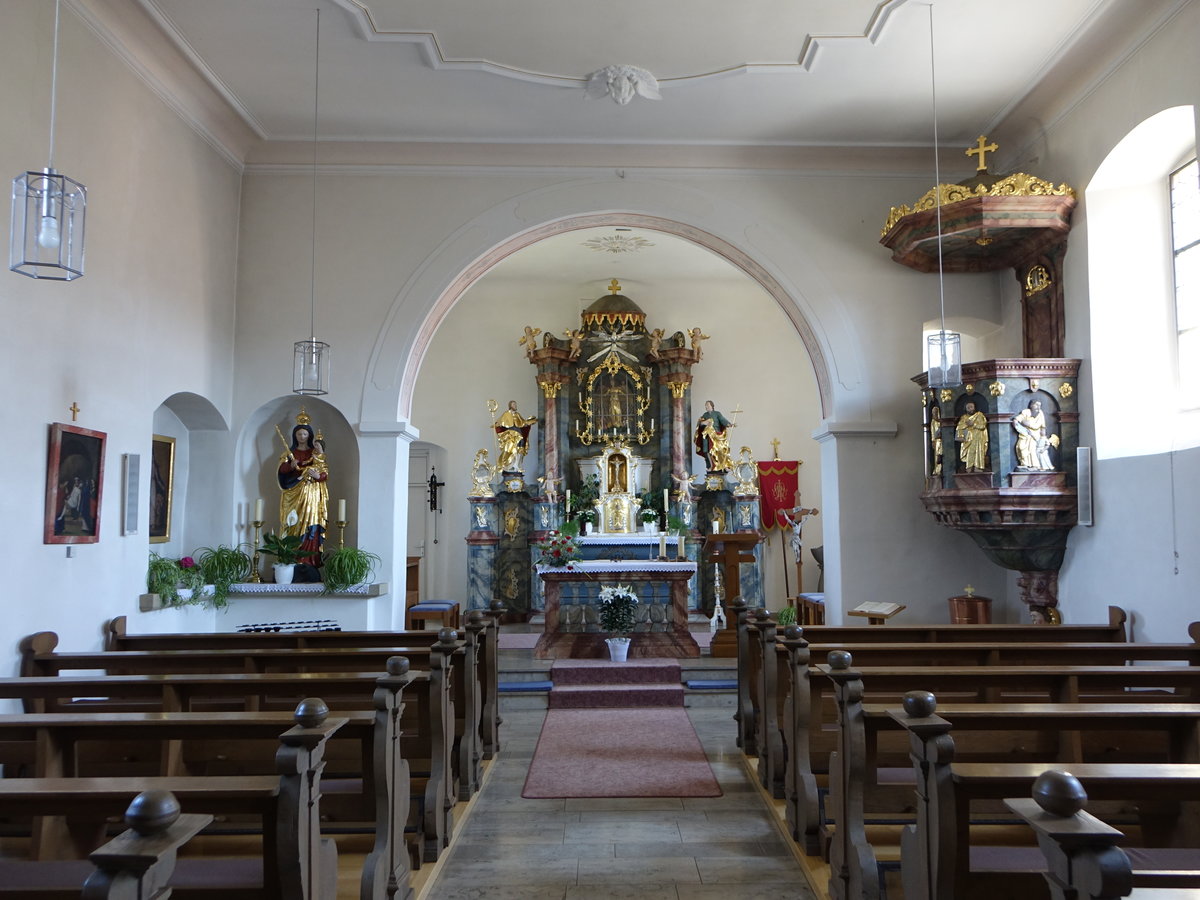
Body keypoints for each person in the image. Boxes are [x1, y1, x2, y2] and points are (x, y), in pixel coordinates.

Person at [278, 419, 329, 566]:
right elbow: (281, 472)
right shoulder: (289, 453)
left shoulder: (316, 453)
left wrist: (318, 476)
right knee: (293, 523)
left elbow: (324, 470)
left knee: (310, 523)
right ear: (295, 435)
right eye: (299, 434)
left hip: (312, 494)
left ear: (310, 435)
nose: (302, 437)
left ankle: (308, 560)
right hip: (293, 493)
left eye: (305, 434)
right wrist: (290, 466)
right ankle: (291, 559)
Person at [1012, 399, 1057, 470]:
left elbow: (1041, 425)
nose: (1038, 407)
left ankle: (1034, 465)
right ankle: (1024, 463)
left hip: (1035, 435)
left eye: (1039, 405)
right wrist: (1015, 420)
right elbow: (1020, 418)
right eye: (1036, 405)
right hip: (1025, 434)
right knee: (1020, 447)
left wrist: (1029, 424)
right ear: (1031, 405)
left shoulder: (1040, 414)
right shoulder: (1026, 412)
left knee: (1032, 450)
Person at [495, 400, 537, 472]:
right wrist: (497, 424)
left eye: (515, 404)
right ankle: (508, 464)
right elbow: (500, 422)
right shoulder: (506, 414)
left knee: (520, 448)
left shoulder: (517, 415)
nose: (515, 406)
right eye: (514, 404)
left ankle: (517, 464)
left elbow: (523, 423)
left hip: (519, 433)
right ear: (510, 406)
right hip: (511, 434)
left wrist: (530, 422)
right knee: (510, 449)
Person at [694, 400, 733, 472]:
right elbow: (700, 423)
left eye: (708, 405)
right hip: (707, 435)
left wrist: (729, 424)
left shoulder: (717, 413)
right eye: (705, 405)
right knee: (707, 450)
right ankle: (711, 466)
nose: (706, 407)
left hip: (716, 435)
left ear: (712, 406)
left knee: (720, 450)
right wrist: (703, 423)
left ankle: (724, 466)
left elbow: (723, 420)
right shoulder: (705, 415)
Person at [955, 401, 989, 472]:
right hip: (968, 439)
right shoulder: (964, 418)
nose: (970, 409)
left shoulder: (979, 415)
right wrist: (960, 436)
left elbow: (983, 426)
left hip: (978, 439)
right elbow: (959, 428)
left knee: (978, 452)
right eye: (968, 408)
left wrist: (973, 424)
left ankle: (978, 468)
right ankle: (969, 468)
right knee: (970, 453)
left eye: (971, 407)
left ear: (974, 408)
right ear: (966, 409)